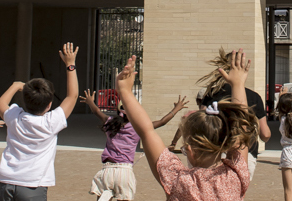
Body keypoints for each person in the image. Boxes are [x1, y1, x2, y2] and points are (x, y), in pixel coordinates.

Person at [116, 50, 257, 200]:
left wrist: (125, 91)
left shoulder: (179, 180)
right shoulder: (235, 177)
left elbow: (147, 132)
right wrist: (238, 84)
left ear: (190, 150)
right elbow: (241, 128)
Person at [0, 42, 79, 201]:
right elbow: (72, 96)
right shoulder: (51, 122)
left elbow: (0, 104)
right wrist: (70, 65)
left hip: (7, 182)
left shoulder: (14, 116)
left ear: (24, 101)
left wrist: (15, 86)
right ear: (49, 105)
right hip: (33, 185)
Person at [82, 90, 190, 201]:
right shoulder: (137, 128)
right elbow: (162, 122)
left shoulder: (110, 122)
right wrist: (176, 109)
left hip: (107, 171)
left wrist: (90, 101)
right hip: (125, 172)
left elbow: (96, 111)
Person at [197, 48, 271, 181]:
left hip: (214, 152)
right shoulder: (254, 97)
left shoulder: (212, 93)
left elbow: (201, 123)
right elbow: (265, 135)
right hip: (244, 154)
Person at [168, 89, 207, 153]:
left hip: (195, 150)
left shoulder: (191, 115)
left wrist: (173, 143)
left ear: (197, 101)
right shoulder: (218, 115)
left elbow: (181, 129)